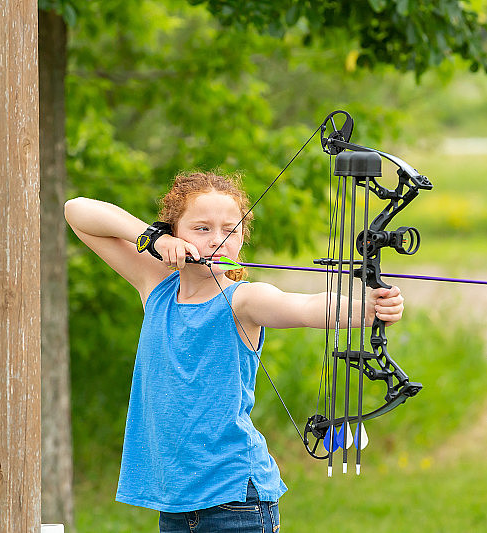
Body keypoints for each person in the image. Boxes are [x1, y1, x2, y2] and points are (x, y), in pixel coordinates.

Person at [64, 170, 404, 532]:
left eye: (231, 230)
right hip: (176, 502)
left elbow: (303, 308)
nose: (218, 241)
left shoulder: (244, 300)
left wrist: (367, 307)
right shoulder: (156, 286)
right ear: (174, 231)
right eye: (201, 228)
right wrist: (151, 239)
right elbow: (77, 211)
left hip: (236, 502)